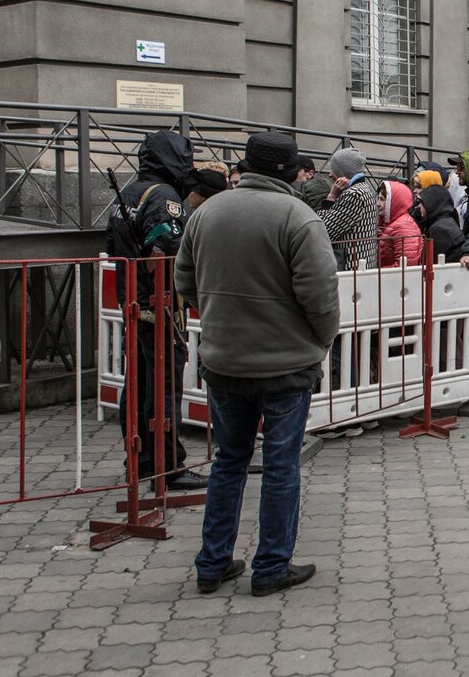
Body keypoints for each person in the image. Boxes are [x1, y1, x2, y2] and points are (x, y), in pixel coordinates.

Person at [175, 131, 339, 597]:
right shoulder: (299, 217)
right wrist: (319, 341)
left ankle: (212, 562)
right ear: (291, 172)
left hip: (224, 362)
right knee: (281, 464)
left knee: (229, 461)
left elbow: (184, 279)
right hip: (286, 365)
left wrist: (218, 319)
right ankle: (270, 567)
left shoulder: (206, 213)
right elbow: (321, 297)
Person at [104, 131, 205, 489]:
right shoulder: (162, 196)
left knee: (138, 384)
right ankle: (167, 465)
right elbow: (162, 252)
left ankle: (142, 458)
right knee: (163, 387)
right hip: (158, 304)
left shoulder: (130, 191)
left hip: (134, 302)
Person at [316, 148, 378, 271]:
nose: (329, 174)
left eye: (333, 169)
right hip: (363, 266)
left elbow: (323, 232)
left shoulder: (353, 194)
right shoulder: (366, 189)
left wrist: (331, 197)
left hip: (350, 269)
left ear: (343, 171)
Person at [410, 184, 465, 263]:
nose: (419, 206)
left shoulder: (439, 229)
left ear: (432, 204)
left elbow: (432, 262)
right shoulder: (447, 221)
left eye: (422, 203)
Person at [377, 180, 422, 267]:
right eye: (378, 198)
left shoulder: (404, 228)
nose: (378, 203)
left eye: (382, 199)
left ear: (395, 201)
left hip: (394, 279)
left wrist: (378, 273)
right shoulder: (391, 222)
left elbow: (406, 266)